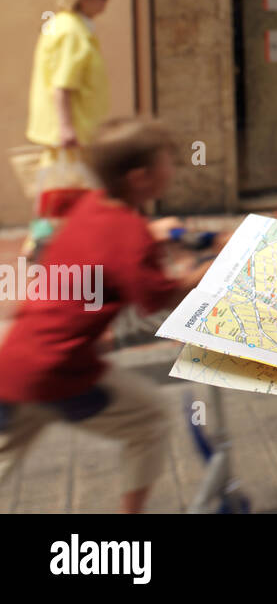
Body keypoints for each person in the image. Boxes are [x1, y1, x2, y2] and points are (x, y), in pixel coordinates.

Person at [0, 118, 212, 513]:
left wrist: (152, 234)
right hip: (61, 372)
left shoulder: (90, 206)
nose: (175, 167)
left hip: (13, 364)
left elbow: (108, 245)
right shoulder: (129, 234)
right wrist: (207, 271)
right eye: (167, 161)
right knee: (148, 421)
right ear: (141, 178)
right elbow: (157, 297)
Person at [27, 0, 113, 162]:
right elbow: (62, 85)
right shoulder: (71, 32)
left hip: (79, 133)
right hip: (73, 138)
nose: (107, 1)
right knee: (69, 190)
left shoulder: (72, 27)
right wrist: (66, 129)